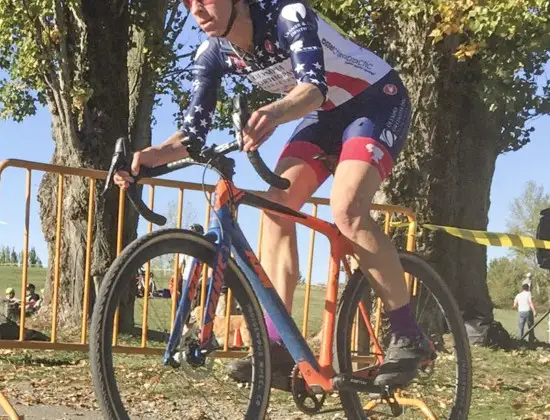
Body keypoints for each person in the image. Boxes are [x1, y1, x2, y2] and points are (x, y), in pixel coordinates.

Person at [113, 0, 425, 389]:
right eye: (188, 2)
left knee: (347, 210)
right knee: (276, 210)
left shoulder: (286, 15)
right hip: (324, 116)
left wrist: (274, 113)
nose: (197, 10)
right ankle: (278, 348)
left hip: (376, 101)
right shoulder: (212, 53)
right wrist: (148, 158)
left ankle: (409, 334)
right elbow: (192, 136)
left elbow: (313, 87)